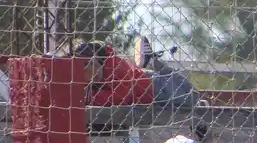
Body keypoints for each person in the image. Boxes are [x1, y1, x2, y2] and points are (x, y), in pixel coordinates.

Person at [72, 39, 201, 111]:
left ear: (98, 59)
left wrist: (86, 96)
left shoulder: (115, 66)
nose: (88, 69)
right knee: (189, 93)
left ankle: (152, 62)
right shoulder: (80, 76)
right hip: (145, 84)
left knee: (193, 96)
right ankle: (151, 61)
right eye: (82, 66)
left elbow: (119, 98)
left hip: (154, 88)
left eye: (89, 63)